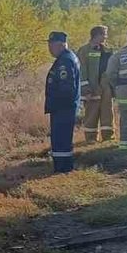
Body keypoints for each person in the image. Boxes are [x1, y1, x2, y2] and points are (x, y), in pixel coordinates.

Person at [45, 31, 81, 173]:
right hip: (64, 108)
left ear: (60, 45)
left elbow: (66, 87)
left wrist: (58, 105)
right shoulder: (66, 57)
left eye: (51, 44)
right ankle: (63, 167)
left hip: (63, 108)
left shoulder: (65, 61)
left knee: (61, 140)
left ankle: (63, 169)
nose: (49, 47)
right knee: (62, 139)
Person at [75, 25, 115, 143]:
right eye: (104, 34)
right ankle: (91, 139)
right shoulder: (84, 50)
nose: (106, 37)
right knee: (91, 114)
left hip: (105, 88)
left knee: (107, 113)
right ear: (97, 35)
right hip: (91, 88)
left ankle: (108, 137)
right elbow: (81, 70)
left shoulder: (108, 51)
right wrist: (85, 87)